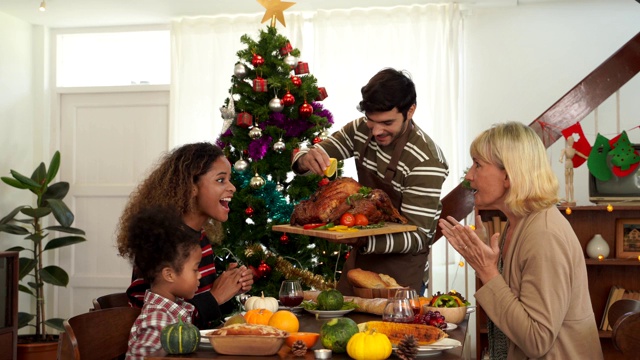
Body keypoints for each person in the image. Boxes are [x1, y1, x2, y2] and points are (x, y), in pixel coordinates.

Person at [438, 122, 602, 359]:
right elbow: (514, 303)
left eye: (478, 165)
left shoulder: (543, 235)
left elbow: (537, 340)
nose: (469, 176)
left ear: (508, 175)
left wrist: (487, 271)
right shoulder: (518, 222)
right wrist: (485, 264)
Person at [292, 68, 449, 295]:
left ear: (410, 110)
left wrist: (359, 240)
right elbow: (312, 153)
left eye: (387, 122)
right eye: (371, 121)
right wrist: (305, 159)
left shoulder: (426, 160)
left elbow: (419, 237)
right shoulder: (360, 130)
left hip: (401, 272)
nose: (376, 131)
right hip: (359, 265)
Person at [116, 142, 253, 329]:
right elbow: (150, 319)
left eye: (229, 179)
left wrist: (231, 285)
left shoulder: (200, 236)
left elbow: (197, 303)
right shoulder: (163, 240)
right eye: (221, 180)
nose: (232, 188)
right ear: (191, 186)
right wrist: (215, 297)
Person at [124, 206, 201, 359]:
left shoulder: (172, 312)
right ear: (169, 274)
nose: (199, 275)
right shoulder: (158, 320)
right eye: (195, 269)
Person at [558, 135, 588, 205]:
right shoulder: (565, 150)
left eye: (572, 141)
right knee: (567, 183)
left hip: (570, 165)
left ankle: (571, 198)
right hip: (568, 164)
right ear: (568, 142)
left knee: (570, 183)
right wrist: (561, 159)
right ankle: (568, 198)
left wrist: (585, 157)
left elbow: (580, 154)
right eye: (570, 141)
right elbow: (561, 156)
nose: (571, 142)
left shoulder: (573, 150)